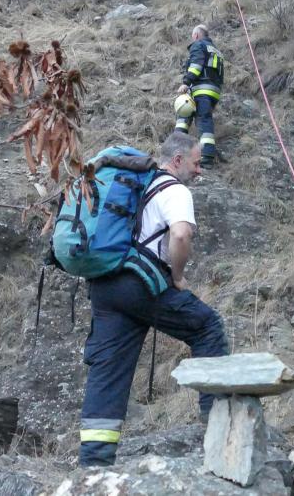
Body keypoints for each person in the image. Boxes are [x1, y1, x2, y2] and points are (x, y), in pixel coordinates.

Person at [79, 133, 228, 467]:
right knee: (207, 327)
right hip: (140, 285)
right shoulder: (174, 189)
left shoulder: (136, 187)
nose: (199, 171)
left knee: (109, 371)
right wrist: (176, 277)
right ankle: (218, 429)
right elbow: (180, 233)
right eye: (196, 162)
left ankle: (93, 465)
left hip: (106, 284)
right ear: (177, 161)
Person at [175, 24, 225, 168]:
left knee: (187, 115)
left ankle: (204, 156)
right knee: (195, 117)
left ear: (196, 35)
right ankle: (186, 151)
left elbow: (196, 66)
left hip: (201, 89)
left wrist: (186, 82)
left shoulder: (198, 45)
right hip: (214, 92)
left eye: (193, 35)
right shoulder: (216, 50)